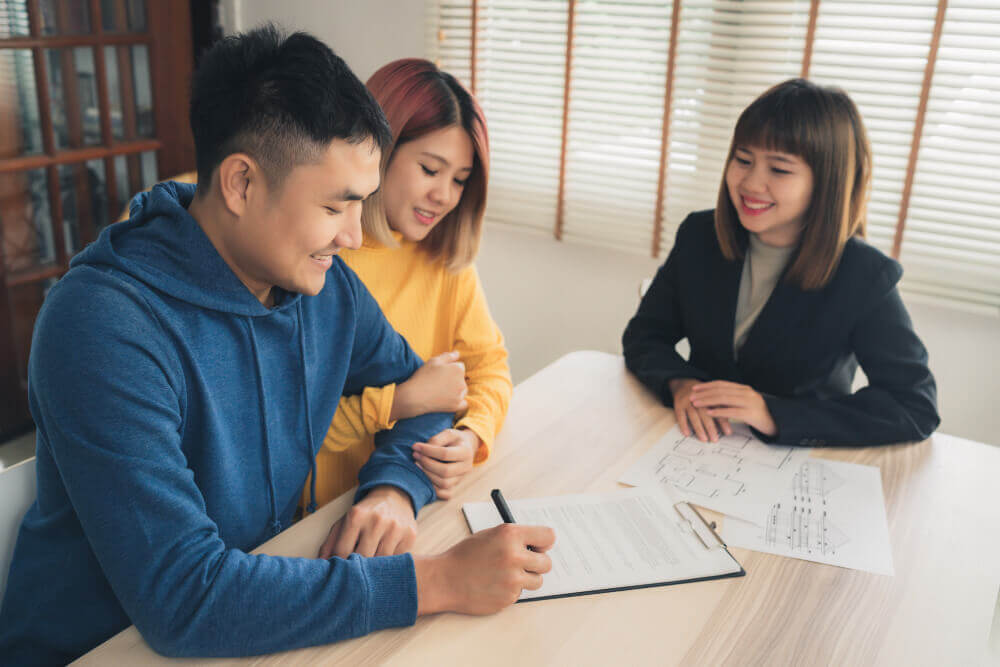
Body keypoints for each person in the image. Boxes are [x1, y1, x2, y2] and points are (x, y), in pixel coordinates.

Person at [0, 25, 553, 665]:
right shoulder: (102, 326)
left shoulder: (325, 290)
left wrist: (394, 487)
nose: (354, 236)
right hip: (98, 648)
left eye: (363, 204)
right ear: (241, 184)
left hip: (248, 619)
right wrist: (440, 580)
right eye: (337, 206)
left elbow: (426, 395)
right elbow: (186, 600)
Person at [623, 79, 939, 447]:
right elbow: (645, 336)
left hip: (801, 462)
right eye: (743, 160)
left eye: (780, 170)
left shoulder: (863, 275)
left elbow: (913, 406)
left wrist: (772, 413)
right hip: (695, 447)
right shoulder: (699, 236)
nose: (751, 183)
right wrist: (680, 382)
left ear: (826, 183)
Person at [308, 59, 511, 537]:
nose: (444, 195)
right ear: (377, 149)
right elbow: (293, 425)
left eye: (460, 179)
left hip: (408, 503)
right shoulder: (320, 256)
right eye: (429, 169)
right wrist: (399, 401)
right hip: (318, 518)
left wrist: (471, 434)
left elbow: (490, 368)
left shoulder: (446, 262)